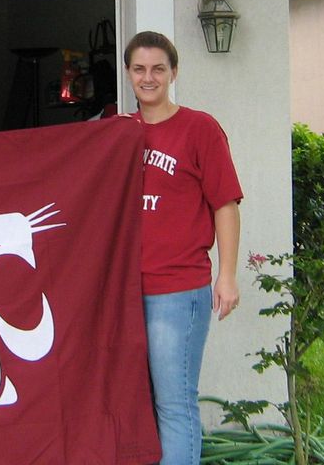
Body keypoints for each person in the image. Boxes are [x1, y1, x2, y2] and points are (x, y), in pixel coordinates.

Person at [124, 30, 243, 465]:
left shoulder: (200, 129)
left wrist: (226, 276)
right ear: (128, 74)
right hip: (124, 293)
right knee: (132, 404)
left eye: (158, 68)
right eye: (140, 69)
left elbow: (225, 205)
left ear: (174, 73)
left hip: (176, 291)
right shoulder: (117, 134)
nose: (149, 77)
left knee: (174, 402)